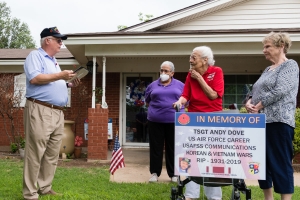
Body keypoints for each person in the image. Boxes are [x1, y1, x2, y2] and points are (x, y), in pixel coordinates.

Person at [23, 26, 80, 200]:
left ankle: (45, 187)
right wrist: (61, 76)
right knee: (35, 152)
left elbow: (53, 83)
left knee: (51, 153)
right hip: (40, 109)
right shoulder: (36, 56)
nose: (60, 44)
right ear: (48, 40)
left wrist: (69, 84)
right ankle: (30, 193)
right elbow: (35, 78)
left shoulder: (54, 61)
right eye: (58, 40)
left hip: (57, 113)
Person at [245, 32, 298, 200]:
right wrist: (249, 101)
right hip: (261, 122)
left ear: (281, 46)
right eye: (264, 47)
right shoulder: (268, 69)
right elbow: (255, 90)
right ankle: (268, 198)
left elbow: (281, 90)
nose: (264, 50)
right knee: (262, 162)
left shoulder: (290, 65)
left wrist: (259, 105)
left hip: (279, 121)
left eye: (267, 46)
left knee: (281, 162)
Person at [174, 46, 224, 200]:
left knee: (213, 157)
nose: (190, 60)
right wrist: (179, 102)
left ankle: (214, 196)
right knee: (191, 155)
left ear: (205, 60)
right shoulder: (190, 75)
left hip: (213, 119)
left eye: (193, 57)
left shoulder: (217, 71)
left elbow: (213, 95)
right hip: (194, 119)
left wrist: (200, 78)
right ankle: (190, 195)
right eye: (190, 57)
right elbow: (185, 95)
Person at [145, 61, 184, 183]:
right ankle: (155, 173)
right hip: (155, 121)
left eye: (166, 71)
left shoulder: (180, 85)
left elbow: (186, 101)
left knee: (172, 147)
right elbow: (147, 101)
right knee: (156, 147)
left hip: (174, 121)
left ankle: (173, 174)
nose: (163, 73)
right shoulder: (152, 85)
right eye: (161, 70)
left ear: (172, 73)